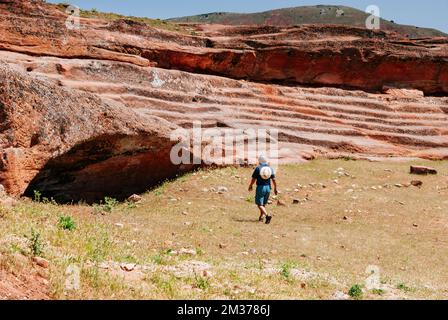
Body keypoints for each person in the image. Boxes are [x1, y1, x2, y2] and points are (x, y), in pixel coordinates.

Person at [248, 155, 278, 224]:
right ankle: (261, 217)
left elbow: (253, 179)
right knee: (263, 204)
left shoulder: (258, 168)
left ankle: (267, 216)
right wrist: (275, 188)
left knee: (259, 204)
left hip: (261, 187)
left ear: (259, 161)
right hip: (268, 188)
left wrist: (250, 185)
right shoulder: (270, 168)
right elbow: (274, 180)